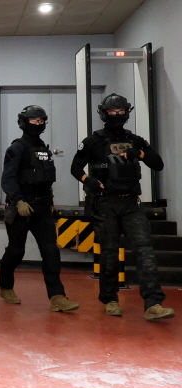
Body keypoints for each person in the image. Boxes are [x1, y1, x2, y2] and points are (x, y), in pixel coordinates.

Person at [71, 93, 174, 320]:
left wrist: (141, 153)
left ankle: (153, 303)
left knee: (144, 250)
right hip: (105, 203)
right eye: (112, 112)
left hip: (131, 203)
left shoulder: (135, 140)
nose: (117, 116)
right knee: (108, 254)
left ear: (127, 113)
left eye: (120, 112)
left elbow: (158, 164)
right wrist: (87, 180)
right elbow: (75, 167)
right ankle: (110, 300)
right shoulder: (92, 141)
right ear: (103, 113)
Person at [0, 105, 79, 312]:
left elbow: (46, 181)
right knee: (16, 251)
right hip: (21, 208)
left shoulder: (43, 148)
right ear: (24, 122)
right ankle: (5, 286)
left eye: (41, 121)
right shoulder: (16, 148)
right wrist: (19, 201)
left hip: (42, 208)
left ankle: (57, 296)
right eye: (34, 120)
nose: (38, 124)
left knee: (51, 252)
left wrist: (50, 203)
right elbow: (8, 179)